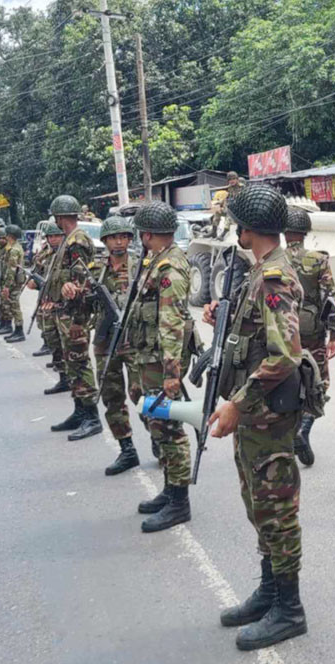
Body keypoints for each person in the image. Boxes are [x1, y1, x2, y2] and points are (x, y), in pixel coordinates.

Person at [204, 185, 308, 649]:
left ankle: (289, 607)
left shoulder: (273, 279)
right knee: (258, 504)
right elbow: (253, 338)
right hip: (256, 415)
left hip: (266, 414)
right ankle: (270, 590)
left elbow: (285, 354)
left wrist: (236, 404)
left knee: (276, 509)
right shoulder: (259, 272)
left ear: (248, 229)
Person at [128, 202, 196, 533]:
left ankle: (180, 503)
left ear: (148, 233)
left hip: (161, 362)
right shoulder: (157, 261)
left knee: (169, 428)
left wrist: (171, 374)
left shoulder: (169, 268)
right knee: (158, 424)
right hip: (151, 359)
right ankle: (171, 491)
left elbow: (170, 323)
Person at [284, 206, 335, 468]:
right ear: (306, 232)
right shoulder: (318, 259)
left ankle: (287, 433)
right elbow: (331, 298)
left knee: (285, 379)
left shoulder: (275, 260)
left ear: (285, 232)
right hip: (313, 332)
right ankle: (304, 426)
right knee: (320, 382)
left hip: (283, 332)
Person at [43, 195, 101, 438]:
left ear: (59, 216)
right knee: (71, 363)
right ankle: (79, 411)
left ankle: (91, 416)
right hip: (64, 311)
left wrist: (78, 320)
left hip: (74, 314)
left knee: (79, 362)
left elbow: (80, 285)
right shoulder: (69, 240)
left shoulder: (77, 241)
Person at [91, 217, 141, 472]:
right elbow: (85, 304)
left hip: (134, 341)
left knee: (142, 395)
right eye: (113, 237)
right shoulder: (95, 271)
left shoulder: (141, 268)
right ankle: (127, 448)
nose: (119, 241)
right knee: (112, 396)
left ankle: (159, 439)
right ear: (105, 241)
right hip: (106, 341)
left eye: (123, 236)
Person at [31, 223, 70, 382]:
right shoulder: (47, 256)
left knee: (66, 343)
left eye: (57, 236)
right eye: (50, 237)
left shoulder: (67, 255)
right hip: (47, 301)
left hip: (63, 305)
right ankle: (62, 374)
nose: (53, 240)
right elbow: (41, 277)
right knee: (52, 338)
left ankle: (68, 375)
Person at [0, 226, 27, 343]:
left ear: (9, 236)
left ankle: (19, 331)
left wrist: (7, 286)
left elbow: (11, 269)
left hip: (14, 282)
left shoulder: (14, 250)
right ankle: (17, 330)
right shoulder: (14, 247)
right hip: (15, 281)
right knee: (13, 305)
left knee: (14, 306)